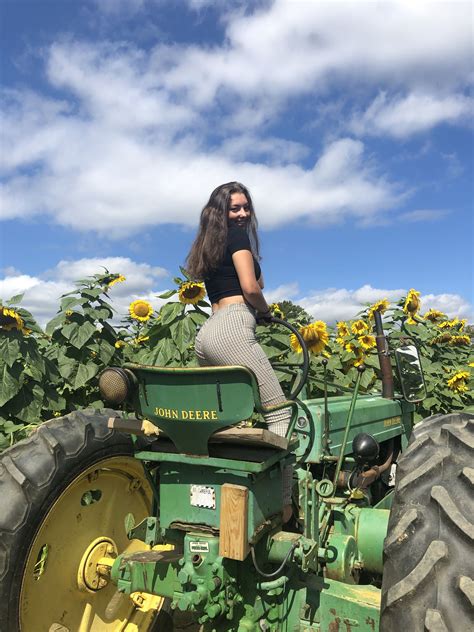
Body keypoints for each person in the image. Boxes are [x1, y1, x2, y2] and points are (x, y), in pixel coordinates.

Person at [185, 181, 293, 522]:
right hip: (232, 326)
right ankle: (283, 506)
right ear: (223, 212)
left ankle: (212, 498)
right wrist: (266, 311)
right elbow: (249, 288)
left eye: (246, 207)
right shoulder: (237, 238)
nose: (243, 213)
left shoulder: (209, 245)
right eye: (235, 208)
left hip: (207, 336)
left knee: (221, 421)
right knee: (279, 414)